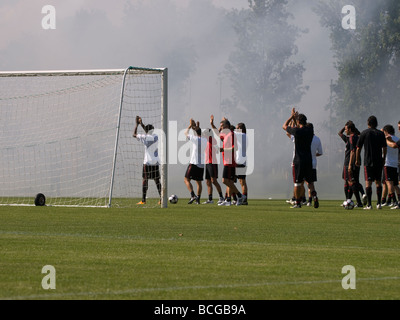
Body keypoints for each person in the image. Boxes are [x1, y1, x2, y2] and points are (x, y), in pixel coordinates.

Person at [282, 108, 315, 208]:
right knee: (310, 182)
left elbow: (284, 126)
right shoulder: (310, 130)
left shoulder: (296, 132)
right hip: (308, 160)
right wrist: (296, 119)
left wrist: (292, 117)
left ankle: (297, 202)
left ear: (298, 121)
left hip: (299, 160)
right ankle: (315, 196)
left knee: (297, 183)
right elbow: (300, 128)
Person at [210, 115, 244, 206]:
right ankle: (229, 200)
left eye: (222, 126)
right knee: (229, 182)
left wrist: (223, 149)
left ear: (226, 126)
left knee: (225, 181)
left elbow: (235, 148)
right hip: (227, 161)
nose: (220, 127)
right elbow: (217, 133)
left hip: (230, 162)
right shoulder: (225, 135)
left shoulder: (231, 134)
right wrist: (212, 124)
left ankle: (239, 196)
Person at [356, 116, 387, 210]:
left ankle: (369, 205)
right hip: (378, 161)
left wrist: (357, 160)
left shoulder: (364, 133)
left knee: (368, 183)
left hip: (368, 161)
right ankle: (379, 204)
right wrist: (383, 158)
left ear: (368, 123)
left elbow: (358, 148)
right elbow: (384, 148)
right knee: (378, 182)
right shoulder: (381, 134)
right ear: (376, 123)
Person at [133, 116, 161, 205]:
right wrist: (142, 124)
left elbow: (134, 135)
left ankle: (143, 200)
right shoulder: (156, 137)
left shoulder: (144, 137)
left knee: (145, 180)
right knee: (157, 181)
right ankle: (162, 199)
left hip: (147, 163)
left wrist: (137, 125)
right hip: (155, 162)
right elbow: (148, 131)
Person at [338, 121, 366, 208]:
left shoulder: (352, 138)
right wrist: (346, 125)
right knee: (351, 181)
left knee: (351, 182)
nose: (345, 131)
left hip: (349, 163)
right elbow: (340, 133)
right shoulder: (352, 138)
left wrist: (350, 164)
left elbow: (353, 152)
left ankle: (358, 199)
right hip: (355, 162)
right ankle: (353, 200)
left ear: (350, 129)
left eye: (346, 129)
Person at [184, 119, 208, 205]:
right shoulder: (205, 140)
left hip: (194, 162)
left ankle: (192, 195)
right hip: (201, 164)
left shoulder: (195, 139)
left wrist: (190, 126)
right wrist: (196, 127)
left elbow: (186, 133)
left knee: (186, 179)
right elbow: (198, 135)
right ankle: (198, 199)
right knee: (199, 183)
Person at [203, 128, 224, 204]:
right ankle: (210, 199)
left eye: (205, 134)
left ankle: (221, 197)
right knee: (208, 182)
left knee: (214, 181)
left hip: (212, 163)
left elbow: (218, 149)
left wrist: (226, 149)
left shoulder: (212, 140)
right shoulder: (206, 141)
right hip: (207, 163)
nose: (204, 135)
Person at [306, 123, 323, 207]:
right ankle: (313, 197)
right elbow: (320, 153)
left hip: (305, 162)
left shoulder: (305, 138)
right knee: (311, 183)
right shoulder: (317, 139)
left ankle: (300, 200)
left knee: (304, 183)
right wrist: (313, 154)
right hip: (313, 163)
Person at [384, 123, 400, 210]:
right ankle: (399, 201)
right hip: (395, 164)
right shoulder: (397, 138)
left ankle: (394, 202)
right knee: (396, 185)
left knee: (389, 183)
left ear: (386, 131)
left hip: (388, 163)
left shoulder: (386, 139)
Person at [235, 122, 249, 205]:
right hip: (241, 161)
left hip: (240, 161)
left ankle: (243, 199)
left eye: (237, 128)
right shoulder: (243, 136)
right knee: (241, 181)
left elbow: (231, 131)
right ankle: (243, 198)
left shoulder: (242, 135)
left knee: (241, 181)